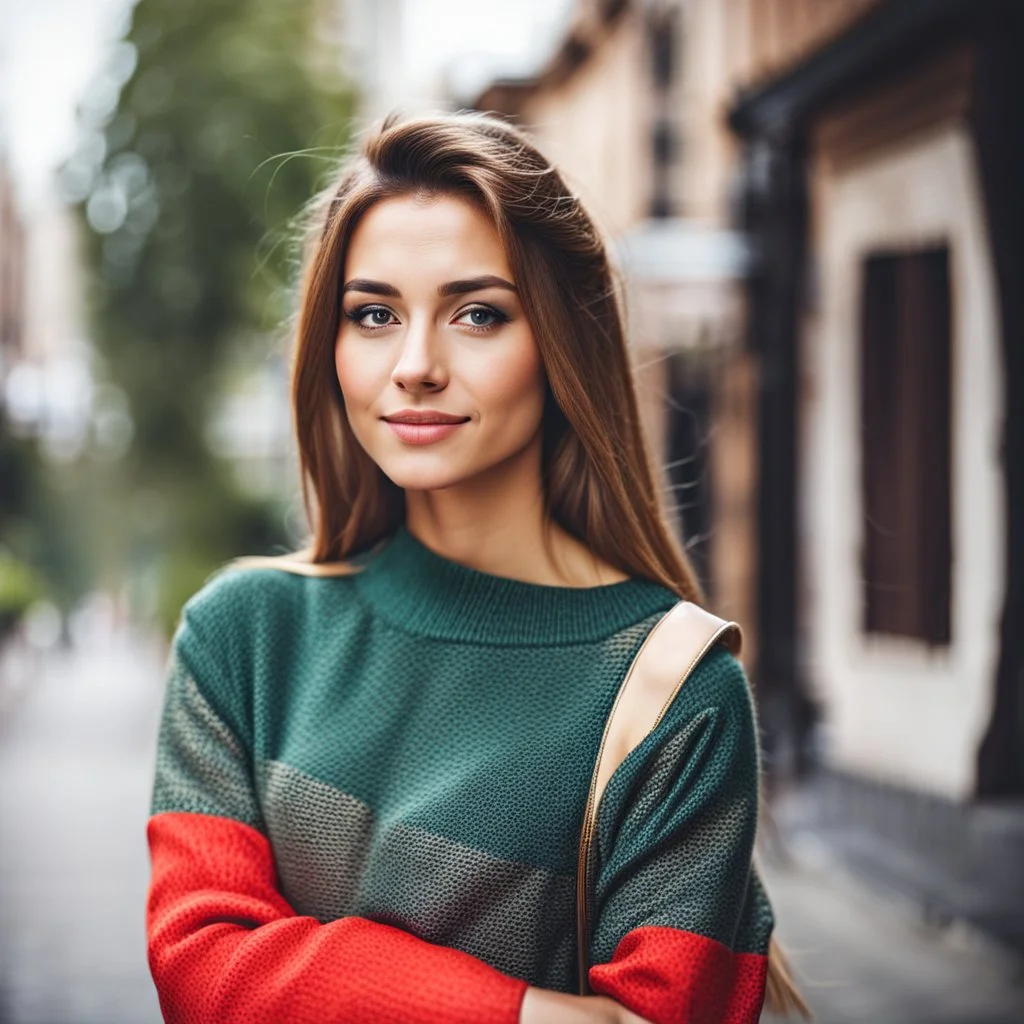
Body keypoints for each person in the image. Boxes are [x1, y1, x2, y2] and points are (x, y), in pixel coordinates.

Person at [144, 110, 806, 1024]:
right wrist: (529, 1012)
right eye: (373, 314)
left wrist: (301, 974)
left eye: (477, 314)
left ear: (560, 345)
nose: (415, 366)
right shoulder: (244, 638)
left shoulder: (675, 694)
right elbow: (202, 968)